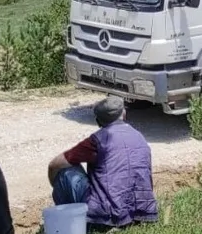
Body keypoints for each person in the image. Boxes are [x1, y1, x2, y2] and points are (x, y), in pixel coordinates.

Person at [47, 96, 158, 230]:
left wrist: (56, 184)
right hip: (142, 210)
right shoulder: (139, 136)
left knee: (66, 173)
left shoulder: (97, 141)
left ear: (98, 122)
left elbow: (55, 164)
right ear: (124, 114)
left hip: (108, 214)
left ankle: (67, 223)